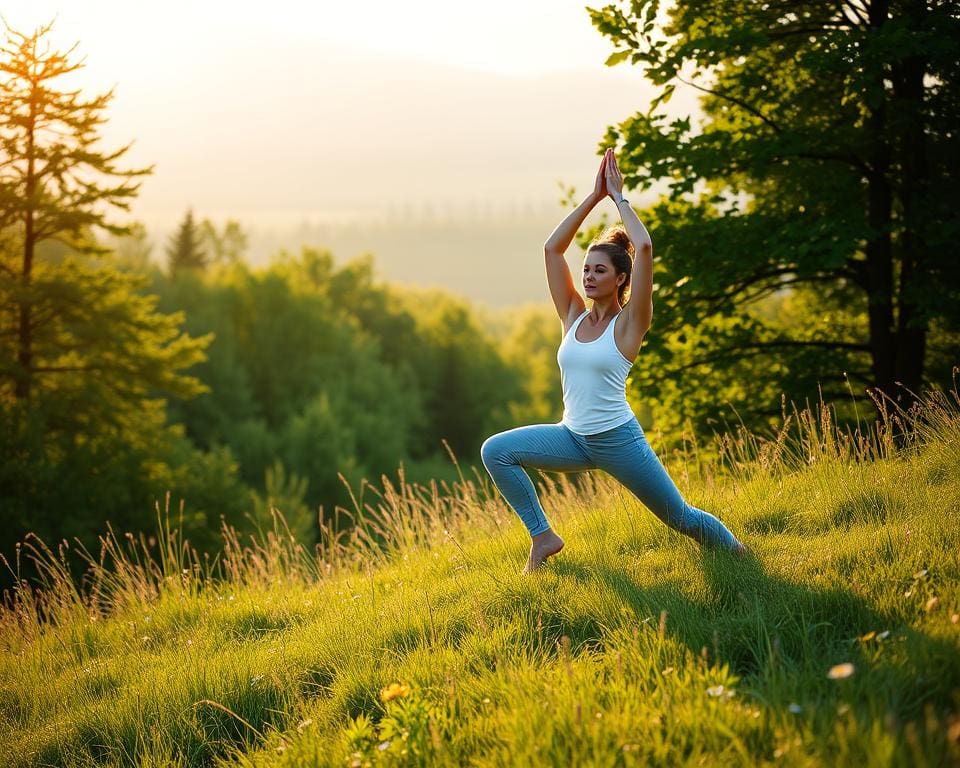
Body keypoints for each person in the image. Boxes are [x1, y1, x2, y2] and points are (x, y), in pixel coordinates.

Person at [480, 148, 745, 573]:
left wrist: (619, 198)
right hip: (573, 437)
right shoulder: (572, 315)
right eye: (586, 269)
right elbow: (551, 250)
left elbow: (642, 245)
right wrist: (593, 196)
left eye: (599, 270)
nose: (587, 276)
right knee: (496, 451)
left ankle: (740, 556)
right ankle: (543, 538)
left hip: (618, 441)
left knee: (680, 518)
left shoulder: (629, 325)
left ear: (621, 278)